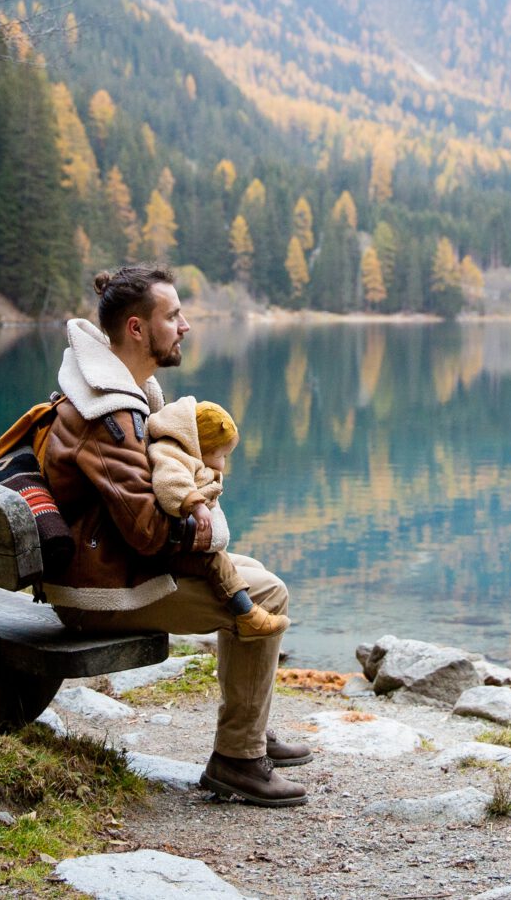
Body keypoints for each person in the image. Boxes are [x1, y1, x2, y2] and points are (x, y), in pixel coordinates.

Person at [38, 265, 310, 807]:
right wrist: (200, 522)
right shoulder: (109, 415)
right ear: (137, 329)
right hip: (100, 591)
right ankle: (237, 758)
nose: (184, 325)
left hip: (99, 565)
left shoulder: (113, 391)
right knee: (262, 593)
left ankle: (246, 731)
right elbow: (145, 532)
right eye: (173, 316)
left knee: (259, 580)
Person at [143, 396, 290, 641]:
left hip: (176, 545)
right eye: (222, 455)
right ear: (202, 447)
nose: (222, 465)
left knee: (253, 567)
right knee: (216, 561)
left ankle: (249, 623)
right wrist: (196, 504)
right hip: (168, 552)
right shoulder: (170, 453)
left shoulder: (185, 452)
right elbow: (169, 483)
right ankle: (246, 614)